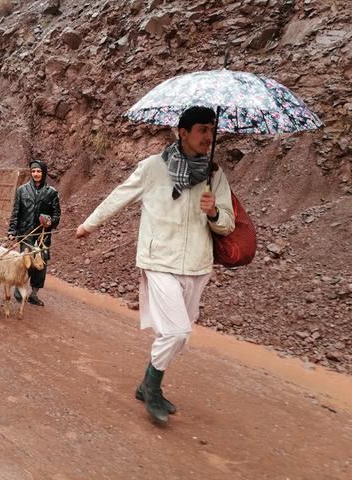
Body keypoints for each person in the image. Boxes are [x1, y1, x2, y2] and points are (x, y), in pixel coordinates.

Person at [75, 106, 235, 425]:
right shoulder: (152, 168)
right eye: (202, 130)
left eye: (211, 130)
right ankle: (151, 385)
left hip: (198, 265)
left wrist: (214, 212)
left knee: (181, 336)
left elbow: (228, 225)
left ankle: (147, 384)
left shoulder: (215, 175)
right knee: (176, 331)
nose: (209, 136)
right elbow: (120, 196)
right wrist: (89, 225)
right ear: (183, 132)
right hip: (159, 260)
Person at [8, 159, 61, 306]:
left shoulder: (52, 193)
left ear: (43, 173)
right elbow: (16, 212)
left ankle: (34, 294)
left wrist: (50, 221)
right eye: (33, 171)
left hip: (43, 236)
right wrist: (12, 230)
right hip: (25, 234)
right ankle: (19, 287)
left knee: (40, 265)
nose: (36, 174)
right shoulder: (22, 190)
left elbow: (57, 215)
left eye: (39, 171)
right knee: (25, 262)